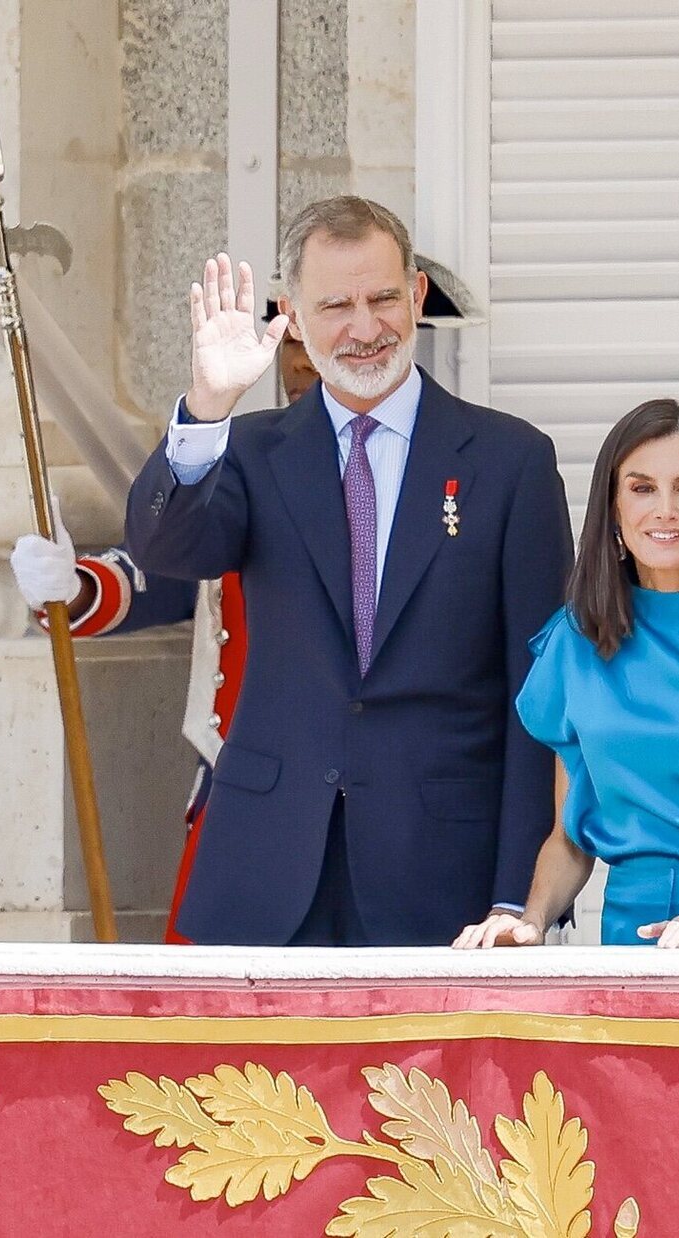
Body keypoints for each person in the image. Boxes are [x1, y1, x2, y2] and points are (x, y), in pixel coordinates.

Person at [123, 195, 572, 945]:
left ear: (418, 295)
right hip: (267, 870)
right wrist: (206, 405)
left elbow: (540, 695)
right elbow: (168, 549)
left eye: (383, 298)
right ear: (293, 315)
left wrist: (516, 897)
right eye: (335, 305)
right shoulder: (252, 451)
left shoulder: (510, 462)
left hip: (442, 878)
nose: (365, 329)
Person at [10, 258, 482, 944]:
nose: (304, 365)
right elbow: (165, 569)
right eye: (293, 343)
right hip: (257, 803)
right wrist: (75, 585)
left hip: (411, 820)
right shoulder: (246, 468)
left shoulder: (476, 470)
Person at [454, 400, 679, 950]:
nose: (665, 510)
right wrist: (529, 921)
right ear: (614, 506)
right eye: (643, 488)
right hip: (630, 935)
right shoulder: (574, 639)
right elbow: (569, 839)